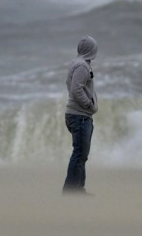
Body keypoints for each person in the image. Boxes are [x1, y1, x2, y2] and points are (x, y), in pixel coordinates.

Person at [62, 36, 98, 194]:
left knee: (81, 154)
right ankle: (70, 190)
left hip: (76, 114)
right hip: (80, 115)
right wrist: (88, 105)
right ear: (92, 50)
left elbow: (69, 85)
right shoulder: (83, 66)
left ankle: (78, 188)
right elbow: (76, 89)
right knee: (79, 154)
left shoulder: (75, 63)